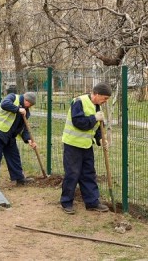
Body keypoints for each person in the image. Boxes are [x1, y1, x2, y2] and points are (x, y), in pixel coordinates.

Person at [60, 82, 112, 214]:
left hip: (86, 145)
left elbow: (97, 128)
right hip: (72, 144)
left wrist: (101, 139)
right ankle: (67, 203)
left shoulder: (97, 107)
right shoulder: (78, 102)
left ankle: (92, 202)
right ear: (97, 94)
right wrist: (94, 117)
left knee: (88, 174)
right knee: (72, 174)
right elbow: (79, 122)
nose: (105, 102)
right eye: (104, 98)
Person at [0, 91, 37, 185]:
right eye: (29, 103)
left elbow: (24, 128)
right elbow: (4, 104)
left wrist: (29, 140)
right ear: (25, 99)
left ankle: (19, 178)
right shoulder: (13, 97)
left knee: (14, 156)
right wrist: (18, 109)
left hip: (9, 136)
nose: (29, 106)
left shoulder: (26, 112)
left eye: (31, 105)